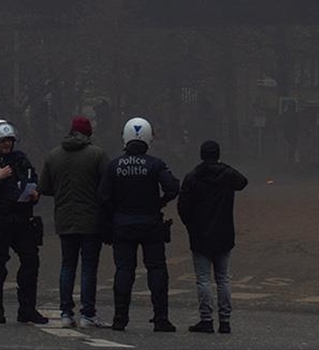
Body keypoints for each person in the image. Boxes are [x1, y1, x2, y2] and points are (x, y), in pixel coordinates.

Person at [98, 117, 180, 332]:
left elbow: (103, 196)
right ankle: (161, 318)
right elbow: (173, 188)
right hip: (151, 224)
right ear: (148, 138)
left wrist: (113, 215)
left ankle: (120, 319)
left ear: (125, 138)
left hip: (122, 225)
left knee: (124, 270)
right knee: (156, 269)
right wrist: (159, 203)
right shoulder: (156, 164)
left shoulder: (114, 165)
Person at [0, 119, 49, 325]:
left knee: (31, 262)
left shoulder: (21, 159)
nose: (6, 145)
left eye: (9, 141)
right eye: (2, 141)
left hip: (23, 220)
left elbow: (33, 179)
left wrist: (35, 193)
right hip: (1, 220)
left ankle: (27, 309)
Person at [38, 115, 110, 329]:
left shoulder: (54, 156)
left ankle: (66, 313)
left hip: (64, 219)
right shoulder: (97, 155)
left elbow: (44, 187)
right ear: (89, 133)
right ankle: (88, 314)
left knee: (67, 265)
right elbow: (108, 185)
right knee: (89, 267)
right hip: (91, 220)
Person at [177, 140, 248, 334]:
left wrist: (190, 225)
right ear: (218, 154)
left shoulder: (192, 176)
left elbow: (182, 205)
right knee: (223, 278)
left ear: (201, 154)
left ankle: (206, 319)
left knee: (203, 279)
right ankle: (225, 321)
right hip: (223, 233)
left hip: (200, 234)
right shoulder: (227, 175)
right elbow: (243, 182)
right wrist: (223, 166)